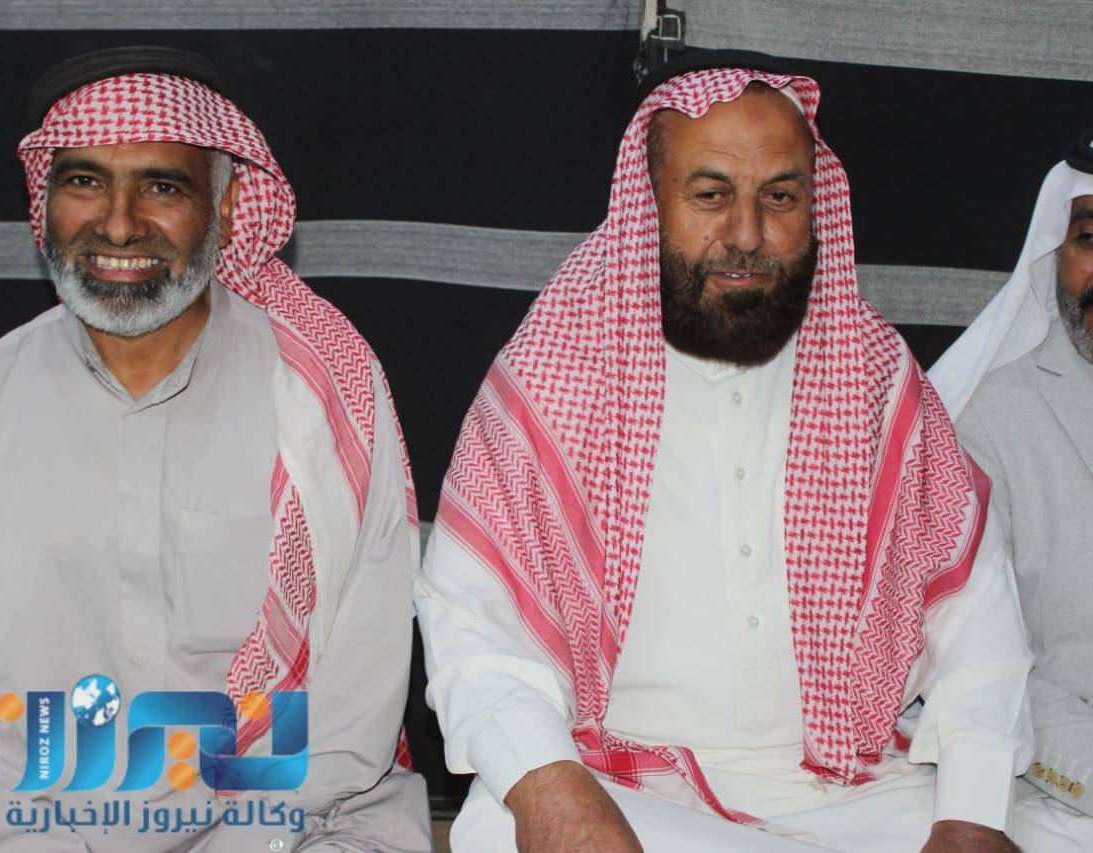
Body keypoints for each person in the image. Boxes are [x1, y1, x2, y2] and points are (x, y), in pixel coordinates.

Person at [415, 51, 1078, 851]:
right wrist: (553, 788)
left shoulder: (871, 374)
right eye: (711, 195)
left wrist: (970, 815)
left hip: (850, 788)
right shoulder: (556, 374)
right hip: (625, 784)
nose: (748, 234)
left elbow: (977, 619)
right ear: (648, 203)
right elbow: (473, 621)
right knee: (503, 826)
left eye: (780, 197)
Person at [0, 46, 429, 852]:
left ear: (226, 203)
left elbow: (349, 715)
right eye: (85, 182)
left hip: (294, 828)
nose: (119, 224)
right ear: (44, 200)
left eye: (162, 187)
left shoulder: (324, 396)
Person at [930, 127, 1093, 822]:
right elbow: (978, 661)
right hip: (1050, 785)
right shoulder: (985, 414)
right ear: (1055, 252)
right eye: (1091, 238)